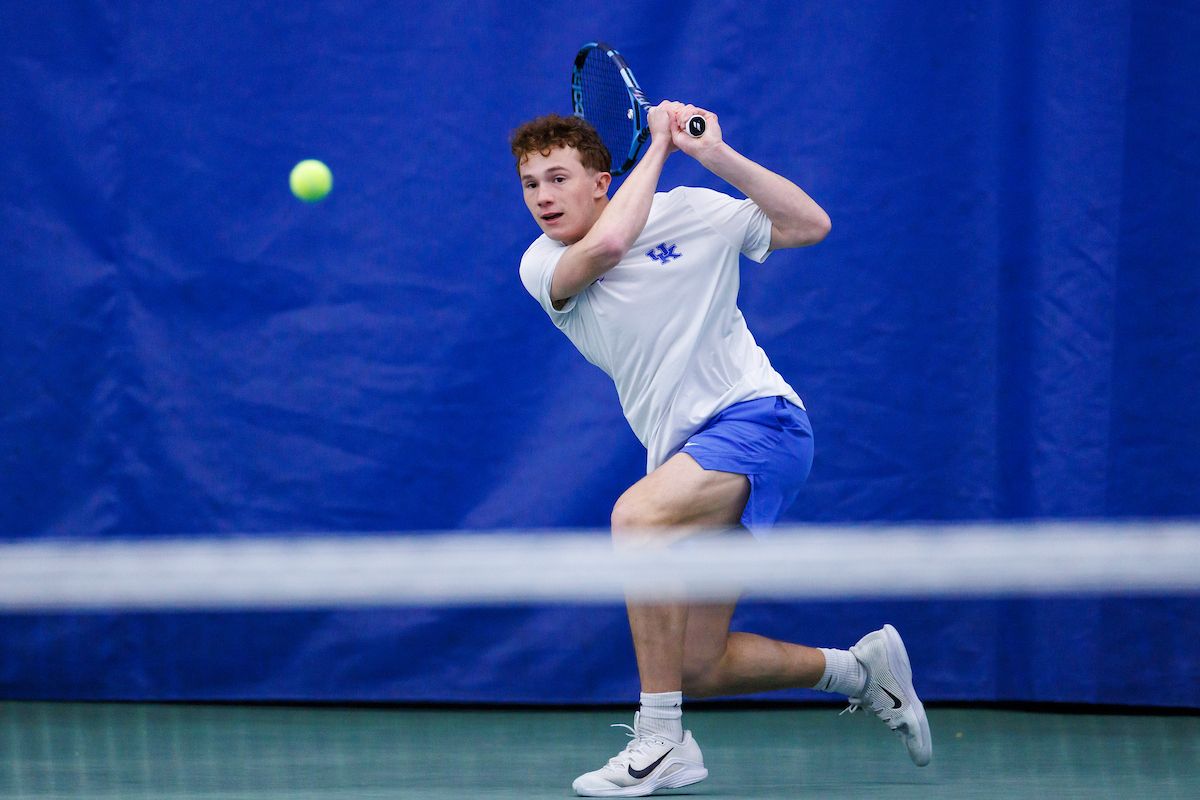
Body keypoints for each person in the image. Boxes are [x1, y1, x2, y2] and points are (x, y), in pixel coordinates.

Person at [511, 103, 931, 797]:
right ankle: (859, 671)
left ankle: (660, 739)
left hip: (761, 422)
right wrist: (659, 146)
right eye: (531, 184)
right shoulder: (543, 262)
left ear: (601, 181)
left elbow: (810, 224)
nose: (543, 197)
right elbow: (610, 247)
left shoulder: (692, 210)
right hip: (691, 456)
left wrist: (714, 156)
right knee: (697, 665)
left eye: (559, 178)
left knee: (636, 520)